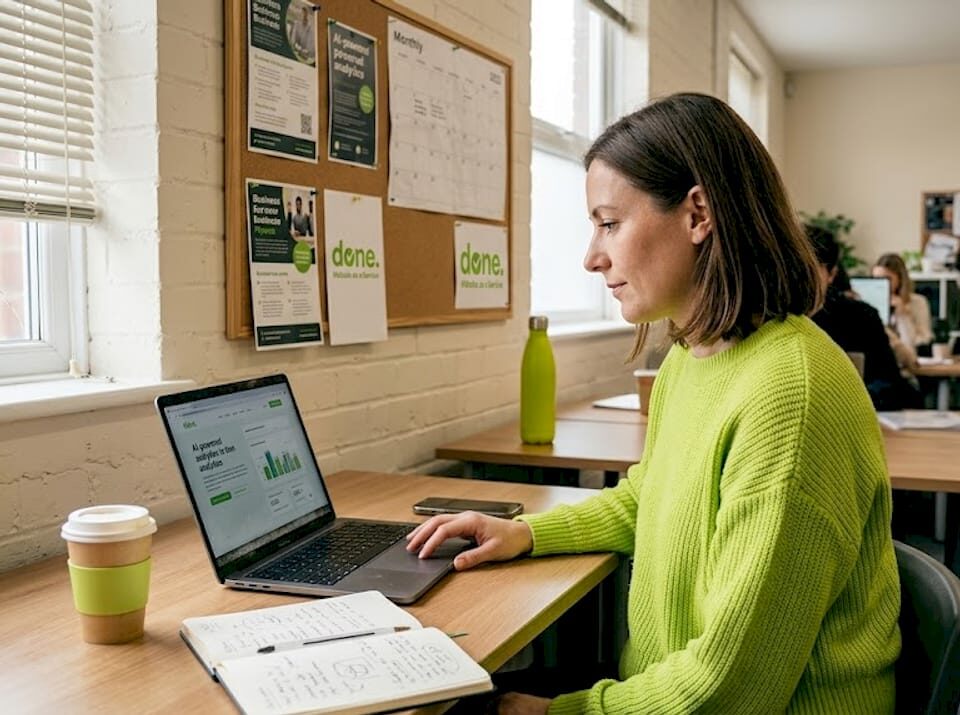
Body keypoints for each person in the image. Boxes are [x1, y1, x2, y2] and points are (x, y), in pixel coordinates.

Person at [407, 93, 900, 714]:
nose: (592, 256)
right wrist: (525, 533)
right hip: (665, 692)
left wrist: (557, 713)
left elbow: (733, 691)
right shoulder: (690, 358)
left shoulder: (789, 394)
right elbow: (651, 499)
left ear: (698, 213)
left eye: (609, 223)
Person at [808, 225, 922, 411]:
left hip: (853, 418)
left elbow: (889, 385)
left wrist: (846, 399)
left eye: (811, 269)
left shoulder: (862, 317)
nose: (800, 277)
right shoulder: (769, 319)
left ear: (832, 274)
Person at [872, 253, 933, 367]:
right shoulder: (869, 304)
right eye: (876, 278)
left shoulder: (918, 302)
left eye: (887, 279)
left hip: (907, 362)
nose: (880, 283)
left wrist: (903, 315)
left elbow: (920, 341)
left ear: (900, 279)